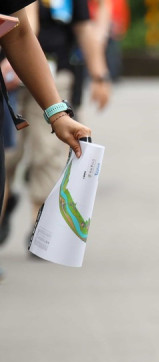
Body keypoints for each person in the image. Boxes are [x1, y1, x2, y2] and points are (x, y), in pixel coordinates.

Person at [1, 0, 109, 246]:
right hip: (7, 78)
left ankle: (41, 228)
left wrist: (99, 77)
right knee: (9, 158)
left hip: (49, 75)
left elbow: (83, 29)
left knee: (47, 155)